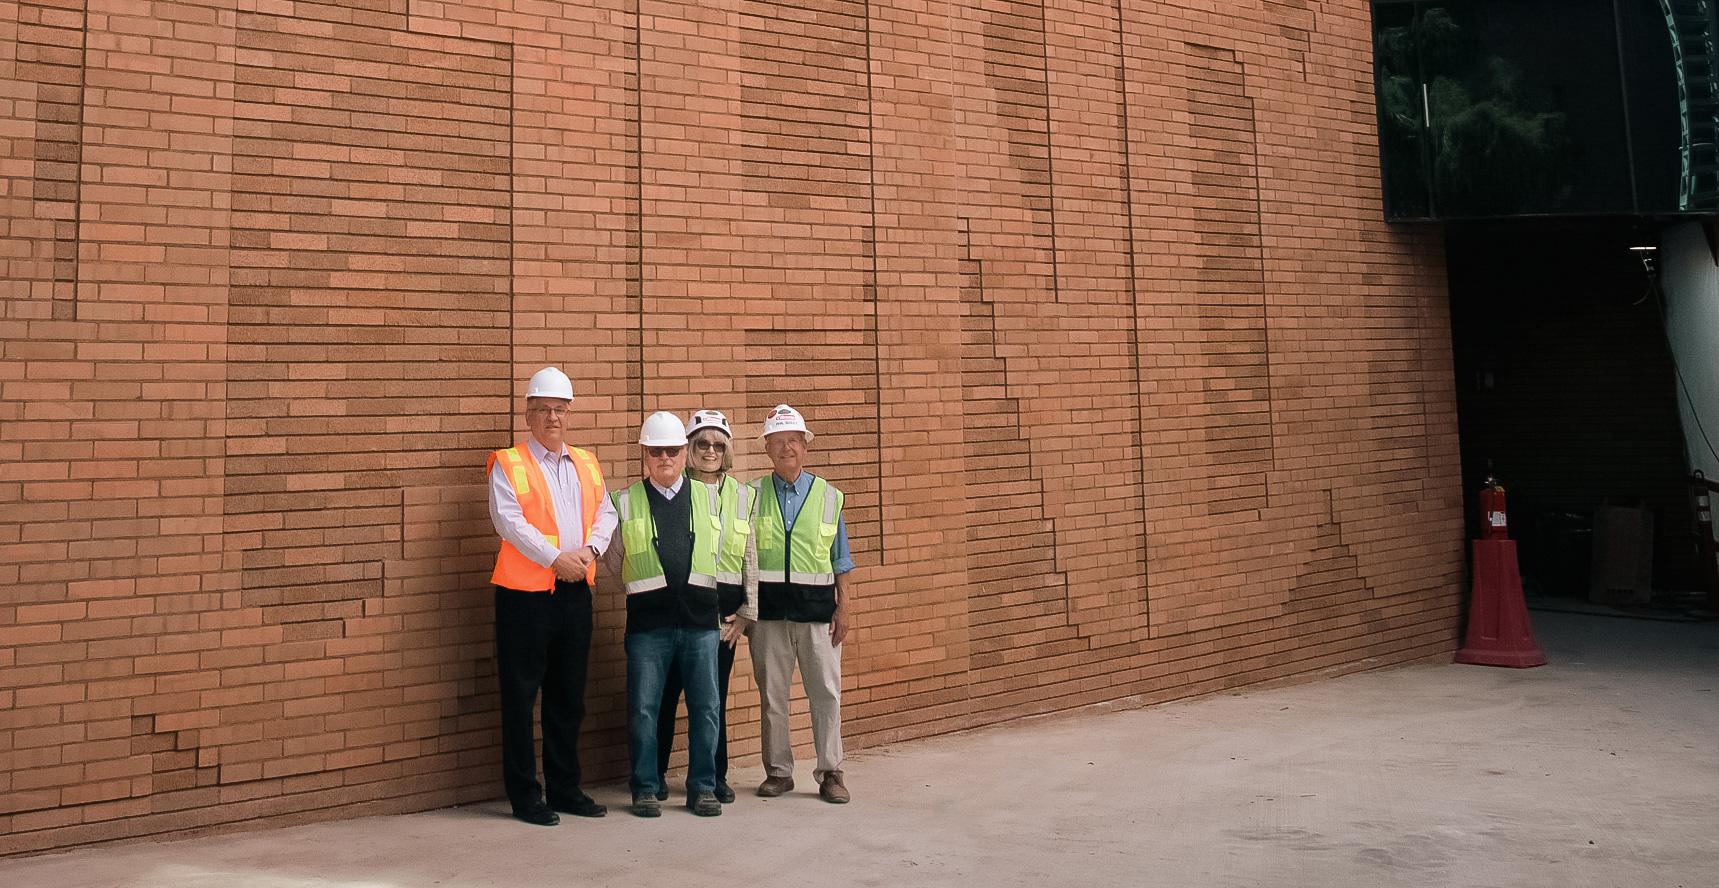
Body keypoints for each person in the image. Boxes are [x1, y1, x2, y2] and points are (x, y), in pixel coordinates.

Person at [486, 367, 616, 826]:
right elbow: (509, 522)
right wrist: (555, 557)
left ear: (569, 413)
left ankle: (564, 789)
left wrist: (589, 551)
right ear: (528, 413)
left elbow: (606, 511)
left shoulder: (586, 461)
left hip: (575, 591)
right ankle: (526, 796)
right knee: (521, 699)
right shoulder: (509, 463)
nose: (552, 417)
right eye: (543, 409)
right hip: (524, 597)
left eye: (560, 409)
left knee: (568, 698)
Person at [605, 412, 726, 817]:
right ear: (644, 454)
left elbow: (724, 551)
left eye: (672, 450)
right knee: (643, 709)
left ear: (684, 452)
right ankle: (644, 787)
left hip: (701, 622)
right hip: (648, 626)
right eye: (655, 451)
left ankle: (703, 788)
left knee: (706, 708)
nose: (665, 458)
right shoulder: (625, 501)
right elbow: (612, 562)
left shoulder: (710, 497)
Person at [750, 404, 855, 804]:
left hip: (817, 617)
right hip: (768, 617)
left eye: (793, 440)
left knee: (825, 694)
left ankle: (830, 771)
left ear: (805, 446)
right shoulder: (751, 495)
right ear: (767, 449)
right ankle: (778, 773)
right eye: (778, 442)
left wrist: (844, 607)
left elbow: (841, 559)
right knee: (773, 697)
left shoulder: (829, 497)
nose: (786, 448)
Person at [652, 410, 757, 804]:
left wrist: (748, 613)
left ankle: (714, 776)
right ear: (688, 449)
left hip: (725, 619)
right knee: (665, 696)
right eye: (701, 444)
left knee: (712, 699)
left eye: (718, 444)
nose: (710, 451)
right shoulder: (673, 490)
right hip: (680, 611)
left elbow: (751, 556)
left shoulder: (744, 495)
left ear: (727, 450)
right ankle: (656, 773)